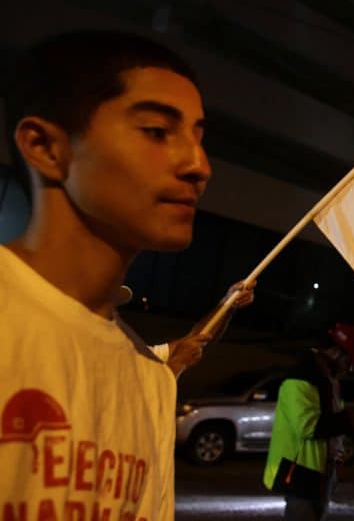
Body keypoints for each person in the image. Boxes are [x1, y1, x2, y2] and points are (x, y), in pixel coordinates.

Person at [0, 30, 236, 517]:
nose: (199, 166)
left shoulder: (149, 380)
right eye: (157, 131)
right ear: (45, 147)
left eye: (199, 137)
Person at [263, 324, 354, 520]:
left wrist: (341, 446)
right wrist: (347, 419)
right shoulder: (300, 380)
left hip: (318, 471)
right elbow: (307, 427)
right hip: (299, 473)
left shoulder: (329, 381)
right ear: (335, 352)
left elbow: (330, 423)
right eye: (349, 361)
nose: (350, 368)